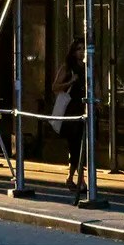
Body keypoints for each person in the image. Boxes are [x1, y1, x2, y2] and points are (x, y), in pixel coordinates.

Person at [50, 39, 88, 198]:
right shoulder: (68, 68)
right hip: (71, 112)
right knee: (76, 145)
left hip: (84, 109)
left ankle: (73, 178)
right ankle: (80, 179)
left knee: (82, 145)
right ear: (73, 51)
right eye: (78, 49)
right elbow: (55, 87)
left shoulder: (87, 68)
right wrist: (70, 81)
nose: (82, 52)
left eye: (83, 49)